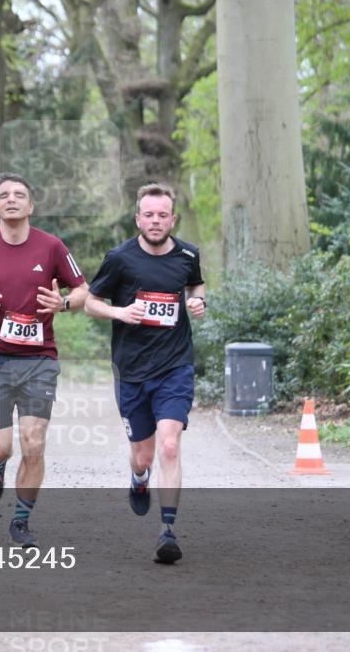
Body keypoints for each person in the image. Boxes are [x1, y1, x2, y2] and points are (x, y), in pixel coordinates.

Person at [0, 172, 88, 548]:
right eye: (4, 195)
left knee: (34, 443)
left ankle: (21, 520)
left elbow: (83, 290)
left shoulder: (52, 246)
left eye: (19, 194)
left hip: (39, 360)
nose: (11, 199)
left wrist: (64, 303)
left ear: (31, 205)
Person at [84, 182, 205, 563]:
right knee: (143, 456)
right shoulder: (120, 258)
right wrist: (119, 312)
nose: (155, 221)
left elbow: (195, 284)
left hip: (175, 365)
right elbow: (90, 302)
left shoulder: (188, 254)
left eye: (162, 215)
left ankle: (168, 529)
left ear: (173, 219)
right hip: (132, 370)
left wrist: (197, 300)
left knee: (170, 445)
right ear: (138, 219)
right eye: (149, 215)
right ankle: (139, 478)